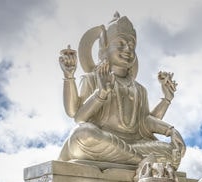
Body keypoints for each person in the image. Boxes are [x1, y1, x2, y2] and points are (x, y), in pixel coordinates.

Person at [58, 13, 185, 168]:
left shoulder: (139, 89)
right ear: (104, 50)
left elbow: (144, 122)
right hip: (103, 139)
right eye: (121, 43)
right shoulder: (92, 79)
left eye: (131, 46)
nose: (127, 49)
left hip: (133, 144)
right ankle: (142, 161)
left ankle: (138, 159)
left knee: (172, 150)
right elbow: (78, 117)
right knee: (82, 134)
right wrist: (99, 92)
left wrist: (169, 126)